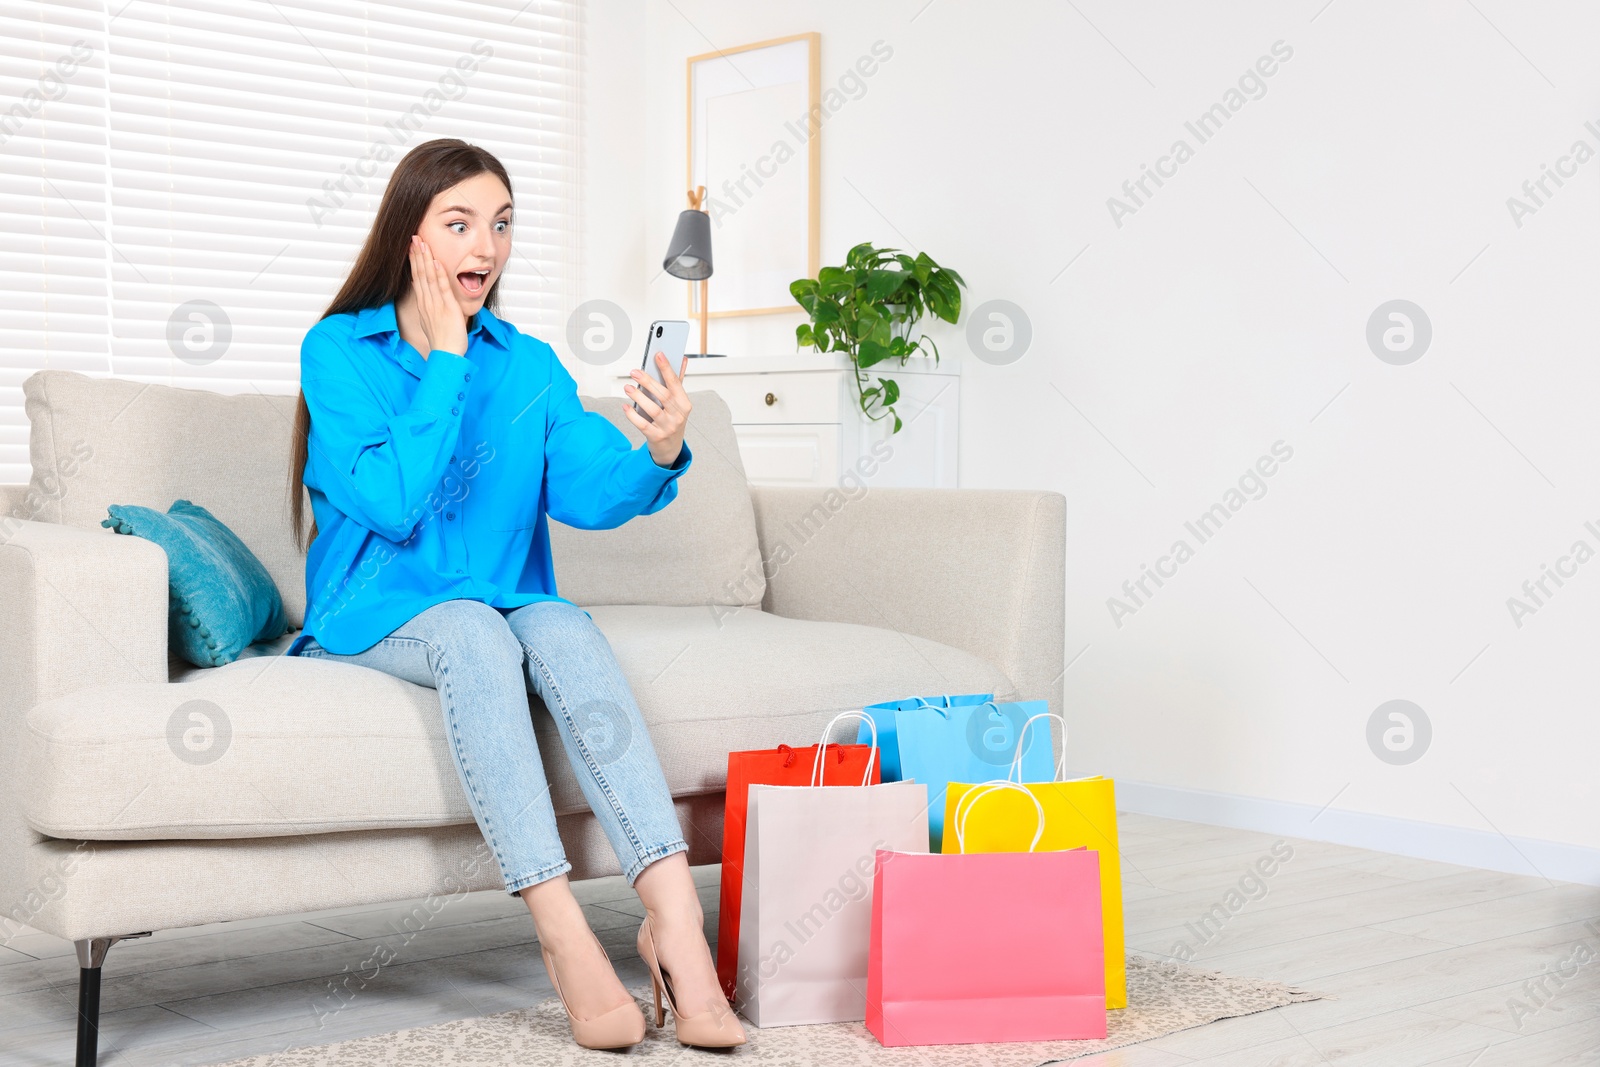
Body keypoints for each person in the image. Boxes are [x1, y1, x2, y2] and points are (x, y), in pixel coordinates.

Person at [281, 138, 743, 1051]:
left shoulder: (526, 364)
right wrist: (448, 360)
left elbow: (584, 485)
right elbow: (391, 501)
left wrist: (654, 452)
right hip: (378, 608)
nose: (485, 246)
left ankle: (676, 926)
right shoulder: (337, 350)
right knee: (473, 631)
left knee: (562, 624)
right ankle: (561, 930)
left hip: (499, 596)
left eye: (499, 225)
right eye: (459, 224)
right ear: (407, 236)